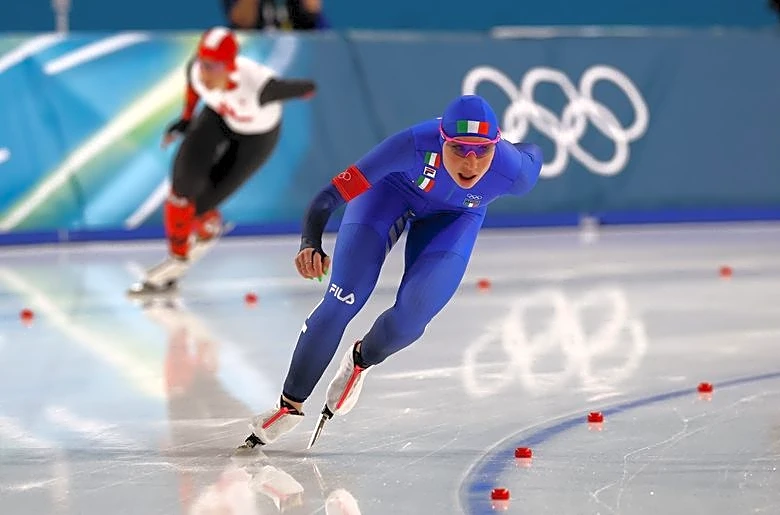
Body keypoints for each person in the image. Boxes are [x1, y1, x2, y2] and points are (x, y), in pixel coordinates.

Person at [238, 94, 543, 449]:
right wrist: (310, 242)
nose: (471, 163)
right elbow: (329, 196)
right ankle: (289, 406)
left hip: (456, 217)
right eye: (459, 149)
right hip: (387, 196)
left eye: (482, 151)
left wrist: (506, 148)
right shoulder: (411, 145)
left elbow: (533, 150)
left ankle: (360, 359)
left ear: (497, 144)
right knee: (343, 300)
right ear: (442, 140)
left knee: (411, 320)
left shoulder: (514, 170)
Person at [128, 26, 316, 296]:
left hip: (257, 136)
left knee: (201, 206)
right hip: (219, 117)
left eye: (212, 67)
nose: (203, 73)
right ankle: (177, 259)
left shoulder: (261, 87)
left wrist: (303, 90)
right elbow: (193, 90)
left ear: (230, 67)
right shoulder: (196, 71)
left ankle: (206, 225)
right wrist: (185, 119)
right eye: (202, 63)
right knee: (182, 189)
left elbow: (307, 88)